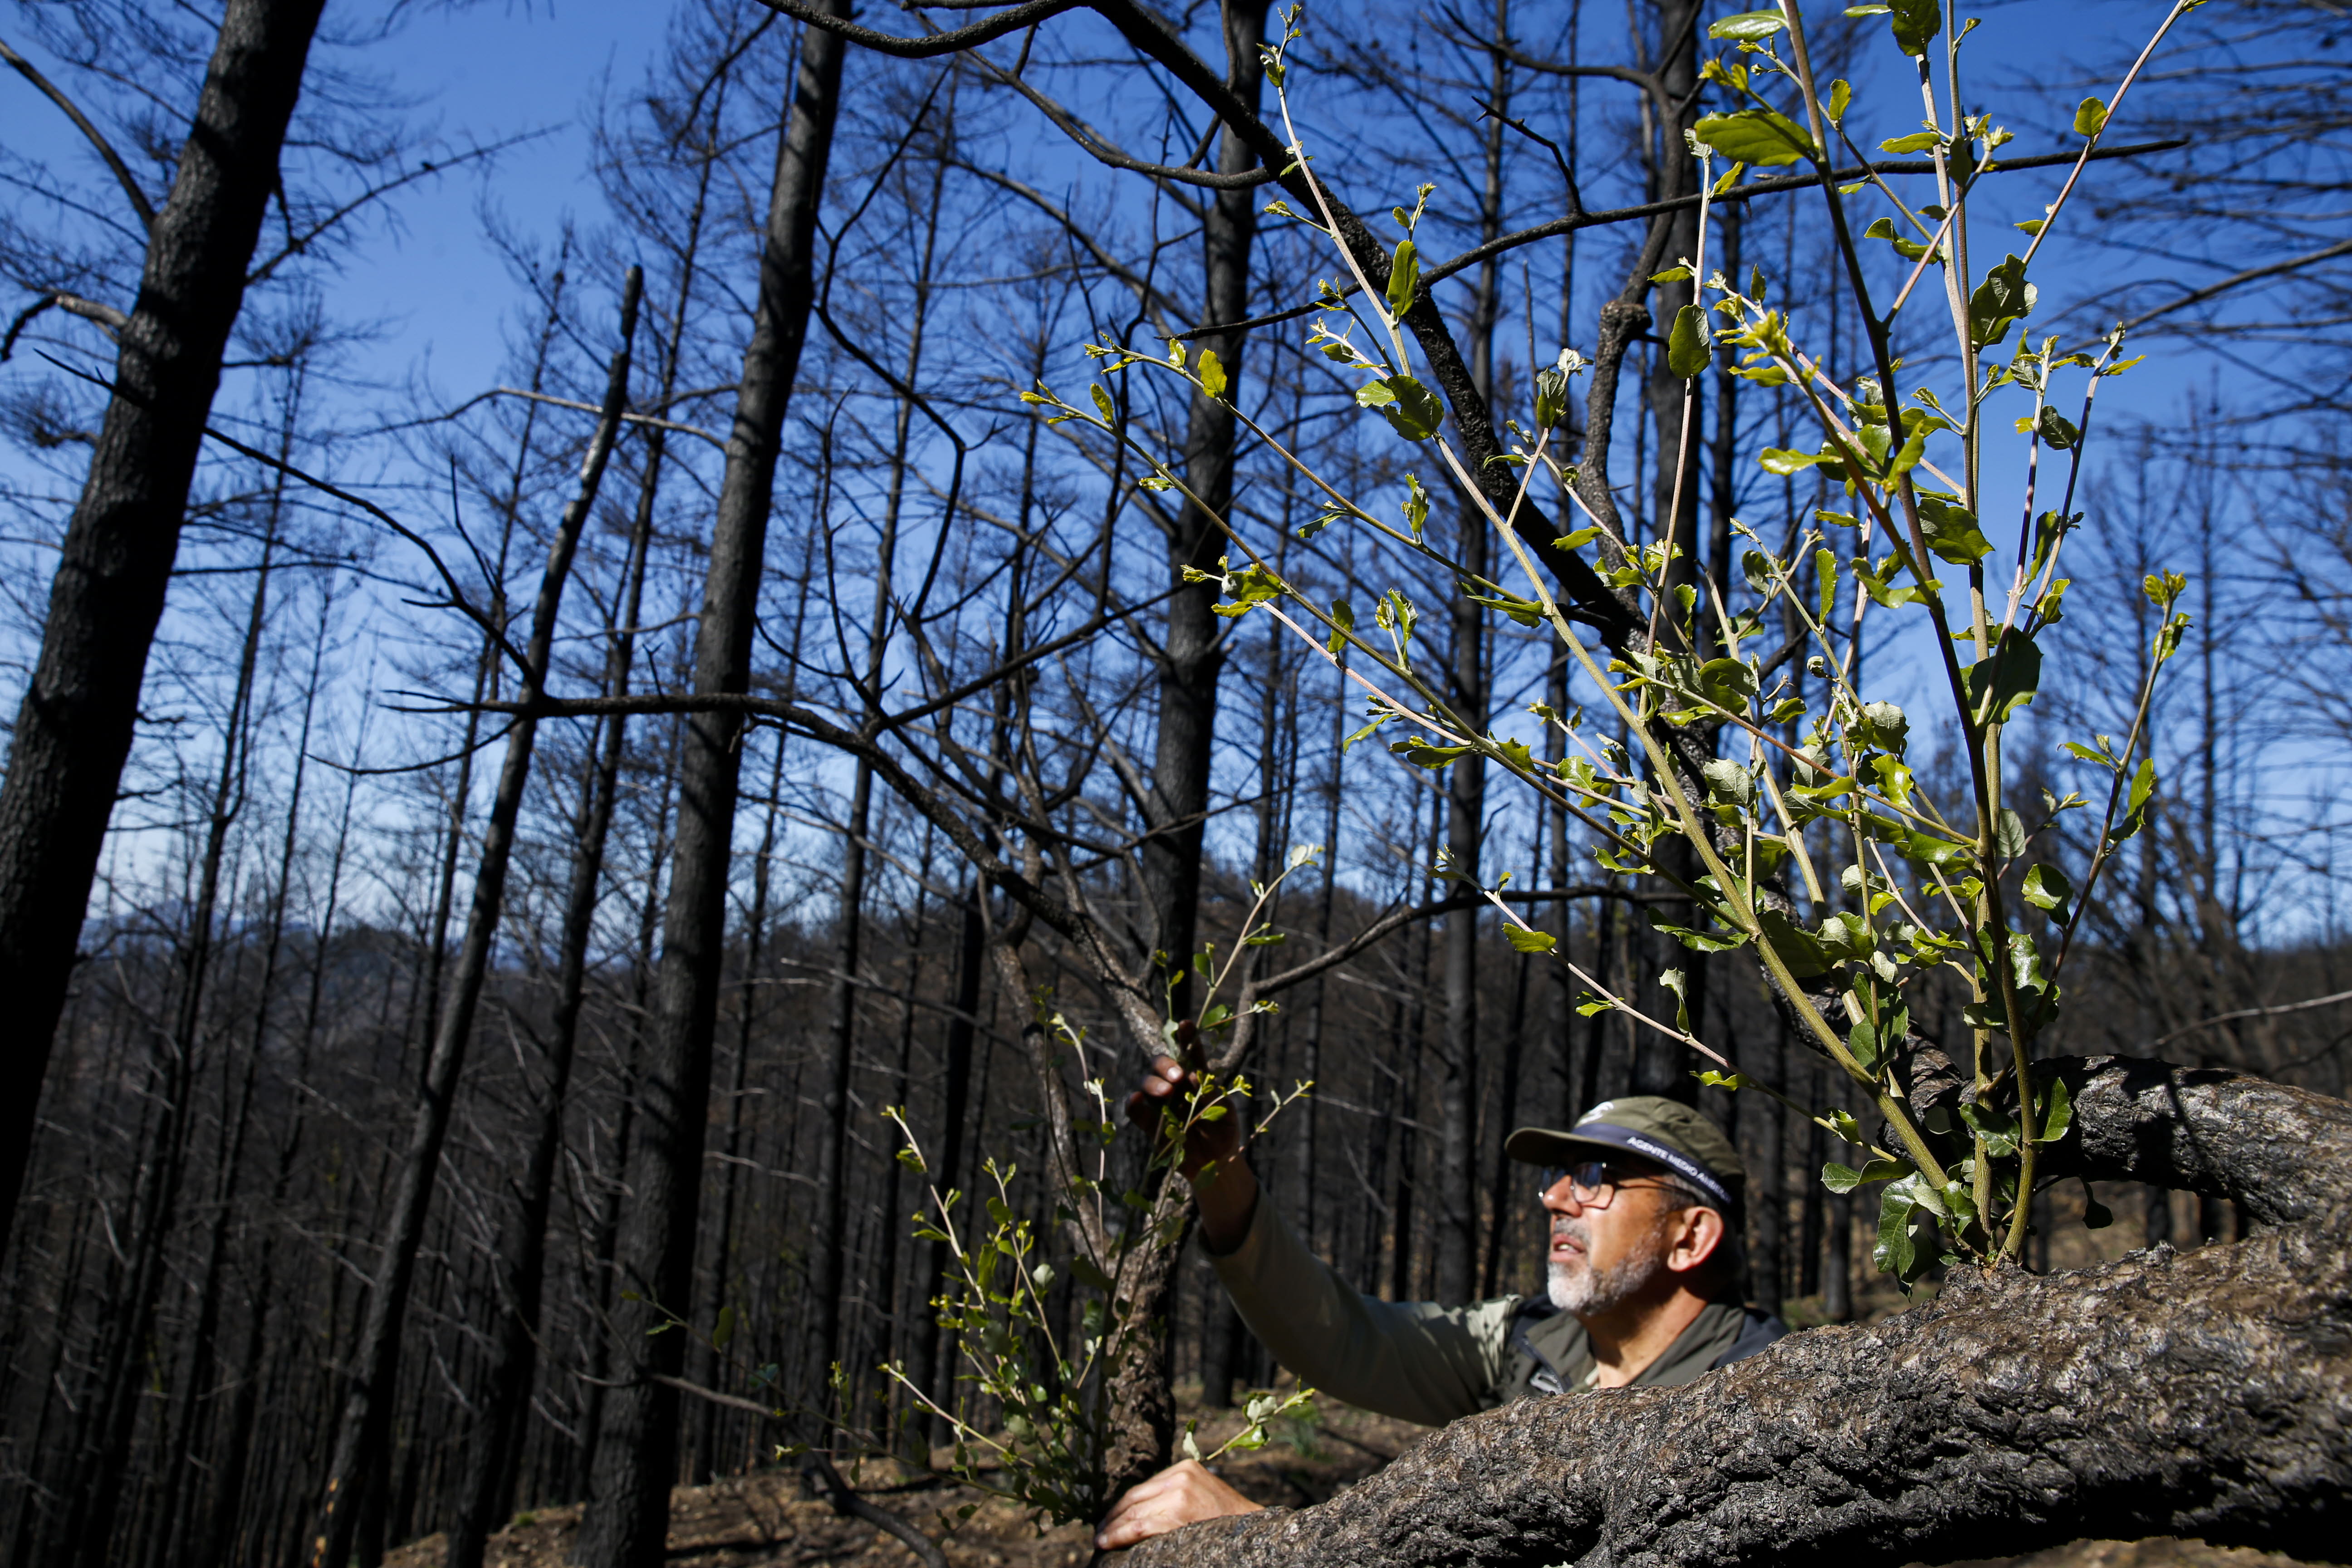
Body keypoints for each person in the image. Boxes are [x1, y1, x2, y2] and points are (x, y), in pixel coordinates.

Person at [1094, 1049, 1788, 1550]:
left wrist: (1272, 1544)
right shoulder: (1531, 1342)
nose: (1553, 1198)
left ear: (1690, 1236)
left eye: (1596, 1177)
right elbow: (1344, 1338)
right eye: (1558, 1175)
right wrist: (1220, 1174)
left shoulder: (1763, 1406)